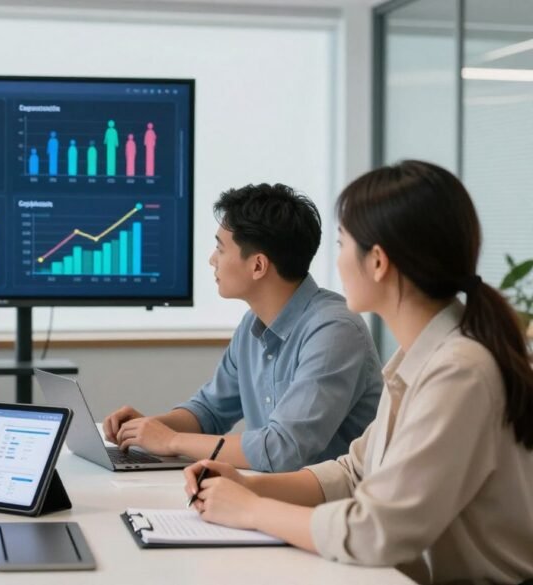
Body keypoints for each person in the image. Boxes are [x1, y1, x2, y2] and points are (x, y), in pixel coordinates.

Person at [184, 161, 533, 584]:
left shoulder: (460, 372)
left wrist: (253, 511)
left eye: (342, 243)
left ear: (378, 262)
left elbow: (377, 532)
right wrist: (249, 486)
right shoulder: (420, 358)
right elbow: (355, 471)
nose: (336, 261)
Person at [104, 184, 383, 472]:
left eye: (220, 249)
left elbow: (283, 449)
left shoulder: (335, 331)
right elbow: (209, 411)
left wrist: (172, 441)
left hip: (333, 499)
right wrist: (148, 428)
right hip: (271, 492)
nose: (212, 259)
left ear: (258, 266)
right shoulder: (254, 323)